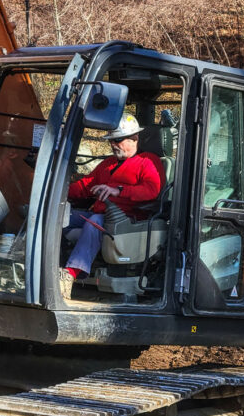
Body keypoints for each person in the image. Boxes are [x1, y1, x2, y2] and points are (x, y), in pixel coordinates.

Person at [59, 114, 165, 299]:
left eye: (117, 140)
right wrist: (58, 192)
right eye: (111, 141)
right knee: (57, 215)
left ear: (135, 138)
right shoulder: (108, 164)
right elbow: (85, 185)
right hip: (101, 214)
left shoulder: (148, 162)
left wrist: (119, 190)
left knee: (94, 221)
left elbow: (151, 190)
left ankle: (70, 275)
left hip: (128, 221)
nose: (113, 145)